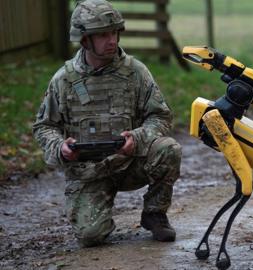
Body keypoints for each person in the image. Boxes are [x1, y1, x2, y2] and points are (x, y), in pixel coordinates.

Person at [32, 0, 181, 247]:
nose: (111, 40)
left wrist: (138, 138)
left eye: (114, 32)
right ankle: (99, 215)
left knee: (168, 149)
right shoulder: (64, 79)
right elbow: (44, 125)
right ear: (83, 39)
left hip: (129, 163)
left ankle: (155, 214)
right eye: (102, 34)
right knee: (90, 236)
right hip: (89, 172)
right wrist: (60, 147)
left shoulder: (135, 72)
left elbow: (160, 116)